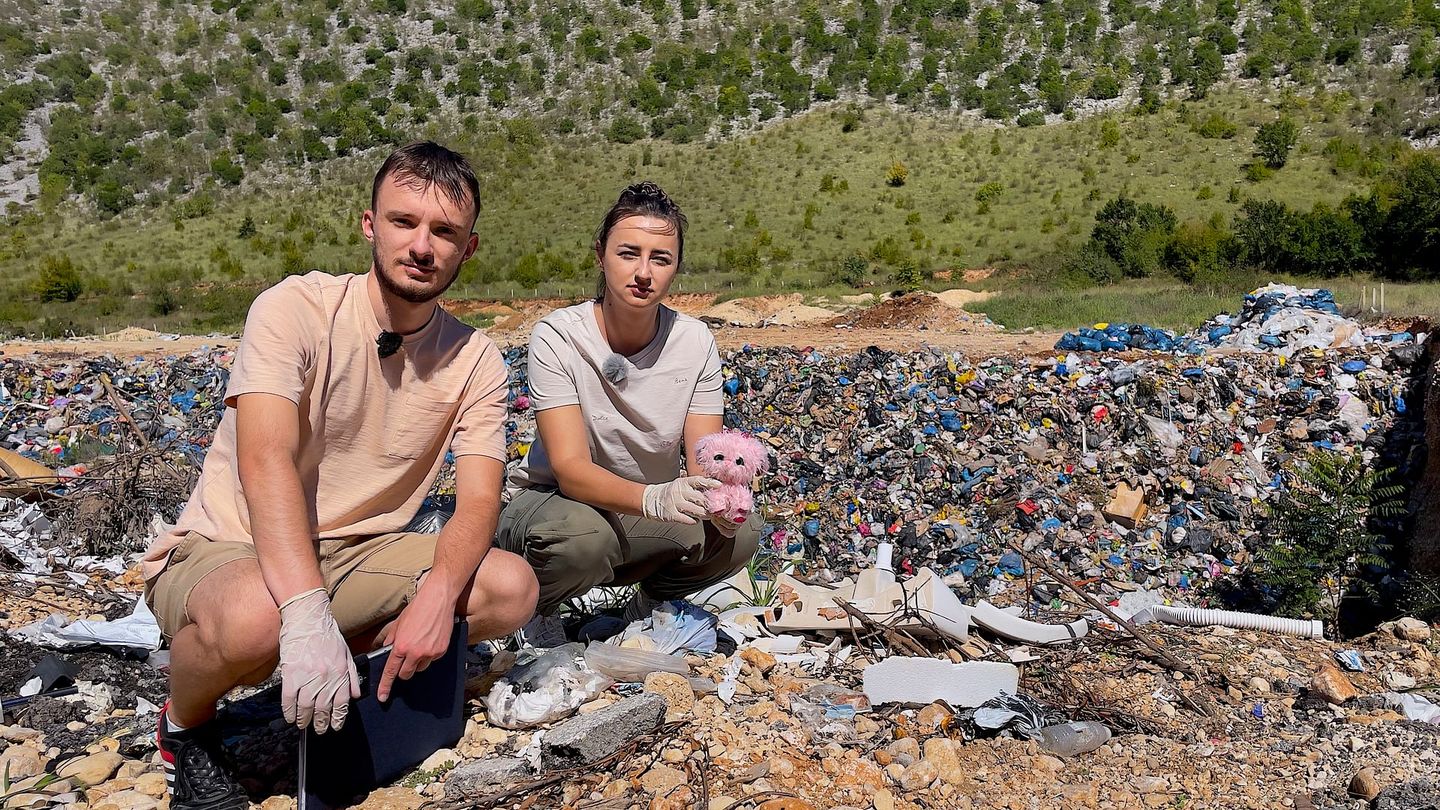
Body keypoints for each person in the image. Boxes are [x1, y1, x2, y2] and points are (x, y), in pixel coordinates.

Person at [140, 142, 539, 810]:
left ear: (468, 249)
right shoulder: (295, 308)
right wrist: (303, 612)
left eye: (444, 232)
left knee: (509, 588)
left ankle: (330, 678)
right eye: (404, 222)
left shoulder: (476, 361)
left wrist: (438, 597)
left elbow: (477, 501)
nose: (421, 246)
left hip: (360, 550)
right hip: (235, 542)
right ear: (369, 225)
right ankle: (186, 725)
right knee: (256, 618)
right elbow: (265, 458)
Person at [497, 181, 761, 620]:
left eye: (660, 258)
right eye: (628, 253)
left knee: (742, 530)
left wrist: (719, 501)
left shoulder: (695, 342)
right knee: (583, 538)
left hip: (642, 508)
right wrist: (654, 499)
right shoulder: (558, 337)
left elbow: (705, 460)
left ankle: (650, 604)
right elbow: (570, 470)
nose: (643, 272)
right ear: (600, 255)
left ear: (676, 267)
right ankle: (534, 613)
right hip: (555, 504)